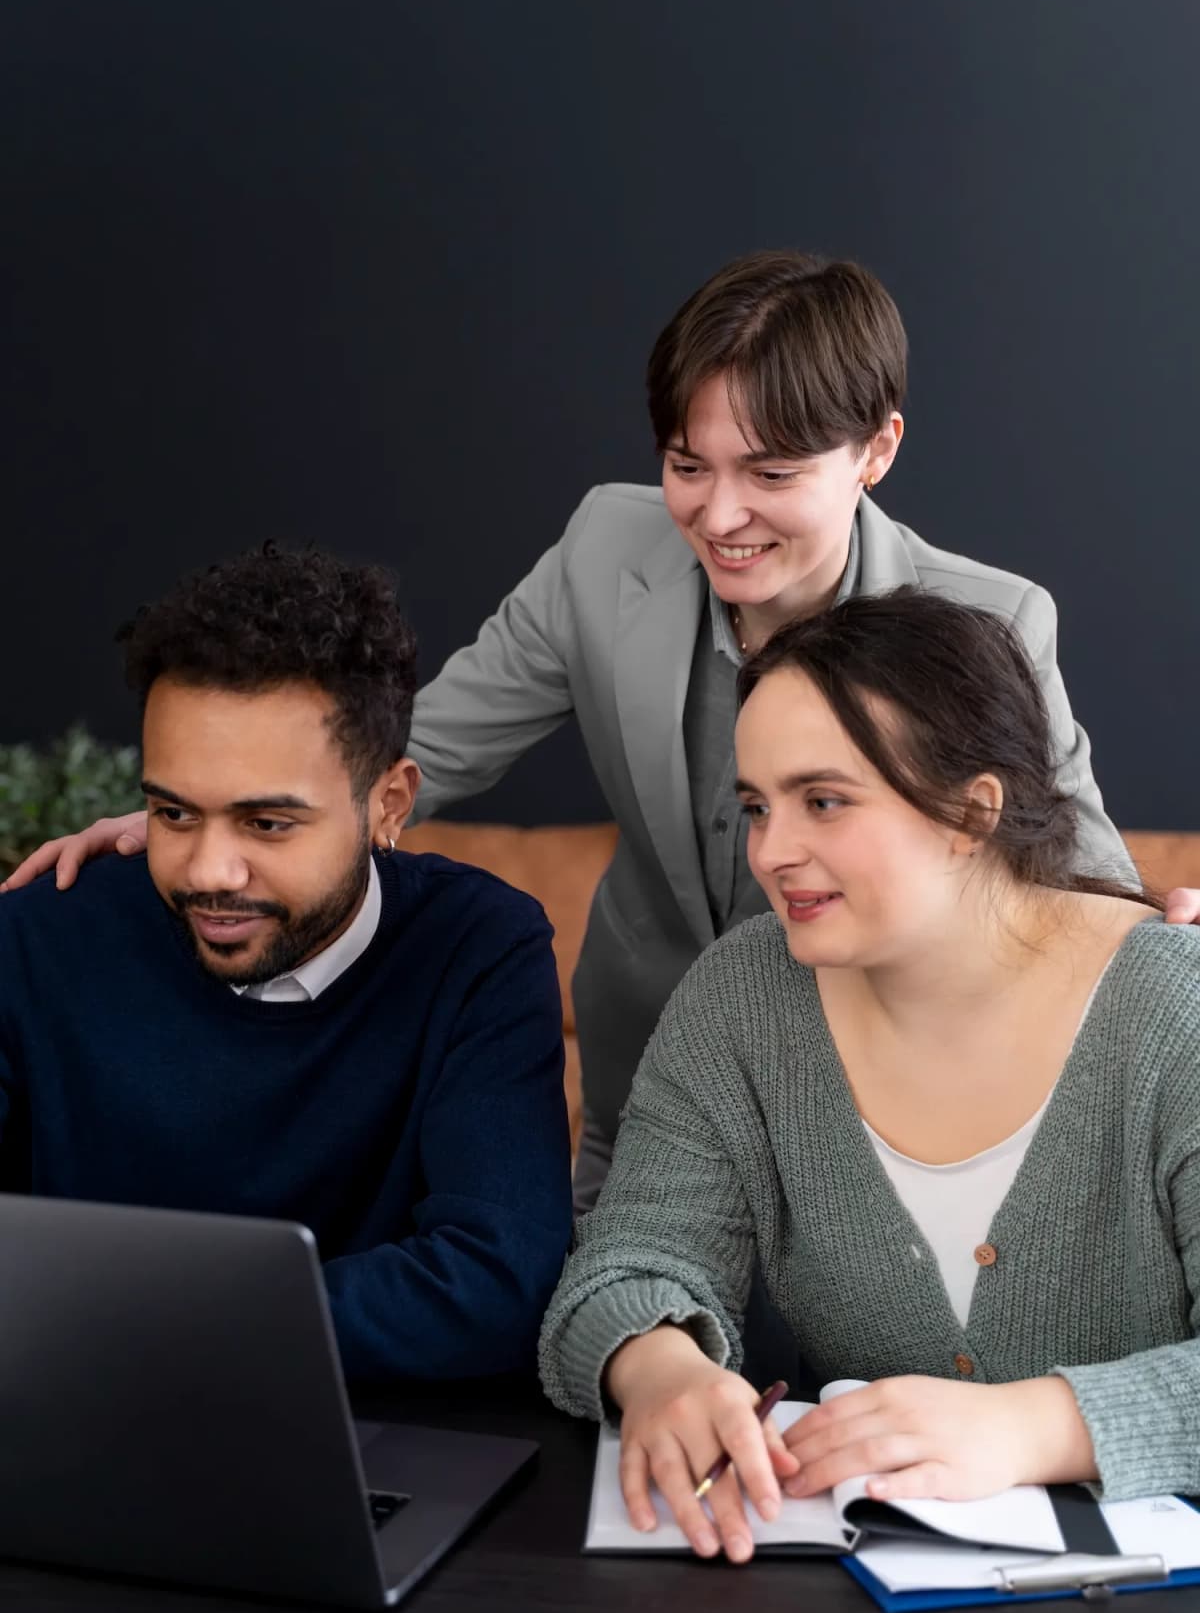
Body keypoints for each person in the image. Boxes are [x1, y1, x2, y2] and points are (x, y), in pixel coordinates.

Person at [8, 253, 1198, 1211]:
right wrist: (217, 814)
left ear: (876, 450)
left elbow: (1071, 864)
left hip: (886, 1104)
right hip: (648, 1093)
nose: (718, 516)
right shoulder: (603, 550)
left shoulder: (988, 620)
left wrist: (1163, 946)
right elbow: (424, 747)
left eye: (770, 474)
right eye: (688, 464)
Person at [538, 587, 1200, 1564]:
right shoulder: (739, 998)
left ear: (972, 813)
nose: (771, 852)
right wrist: (661, 1369)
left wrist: (1032, 1427)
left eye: (825, 801)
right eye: (757, 806)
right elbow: (628, 1264)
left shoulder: (1174, 1010)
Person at [0, 547, 572, 1383]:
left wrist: (134, 1330)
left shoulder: (479, 948)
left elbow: (497, 1282)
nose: (208, 872)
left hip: (376, 1445)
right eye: (174, 812)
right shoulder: (36, 936)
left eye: (266, 823)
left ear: (389, 803)